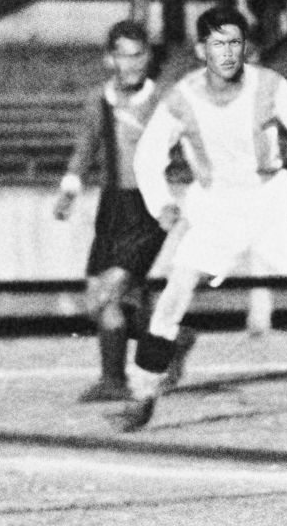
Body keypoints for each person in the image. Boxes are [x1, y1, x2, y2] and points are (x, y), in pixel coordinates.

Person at [118, 5, 287, 432]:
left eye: (234, 43)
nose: (227, 53)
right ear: (200, 50)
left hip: (269, 201)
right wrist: (161, 203)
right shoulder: (182, 98)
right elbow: (148, 155)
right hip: (215, 208)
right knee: (174, 297)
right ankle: (142, 396)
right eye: (217, 44)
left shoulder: (269, 86)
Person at [54, 20, 187, 403]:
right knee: (100, 299)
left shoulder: (163, 100)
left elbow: (193, 141)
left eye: (139, 55)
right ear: (109, 59)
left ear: (149, 57)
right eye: (124, 56)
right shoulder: (100, 99)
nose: (132, 63)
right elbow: (87, 146)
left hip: (148, 208)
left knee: (109, 293)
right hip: (112, 207)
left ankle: (131, 366)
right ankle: (125, 371)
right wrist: (69, 190)